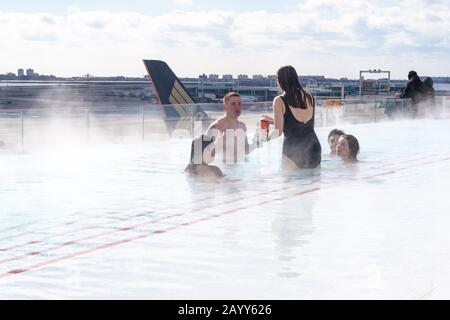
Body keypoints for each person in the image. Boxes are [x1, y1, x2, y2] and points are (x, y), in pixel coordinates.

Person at [262, 65, 322, 170]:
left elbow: (277, 132)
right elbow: (301, 124)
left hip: (293, 149)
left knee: (289, 185)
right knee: (312, 184)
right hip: (314, 147)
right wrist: (276, 121)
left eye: (277, 79)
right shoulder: (310, 97)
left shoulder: (279, 100)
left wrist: (264, 136)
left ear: (281, 81)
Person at [205, 92, 257, 163]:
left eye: (239, 104)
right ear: (225, 106)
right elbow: (202, 155)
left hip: (240, 168)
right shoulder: (216, 127)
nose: (237, 107)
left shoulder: (242, 126)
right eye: (233, 104)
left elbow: (246, 151)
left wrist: (257, 142)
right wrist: (217, 145)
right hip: (222, 168)